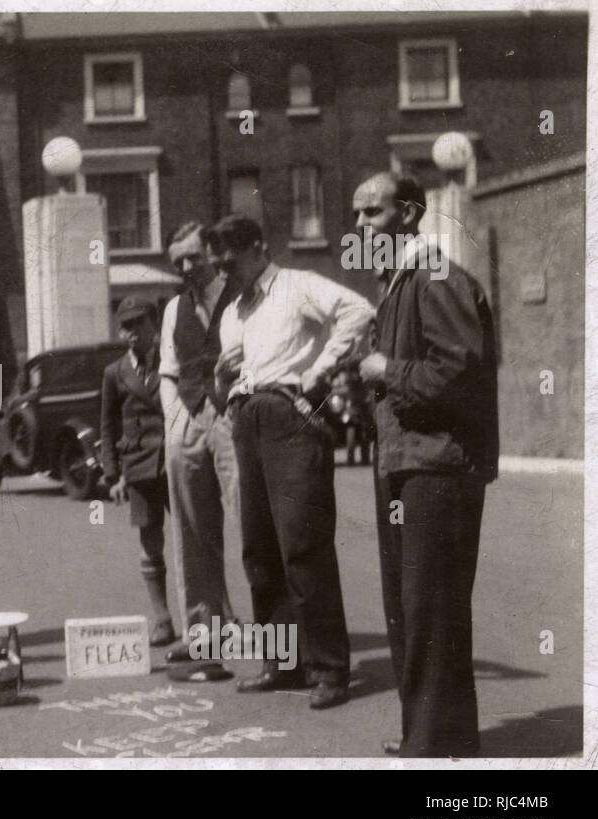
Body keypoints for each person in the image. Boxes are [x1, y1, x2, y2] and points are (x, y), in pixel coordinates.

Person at [353, 172, 498, 756]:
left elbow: (459, 371)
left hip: (439, 467)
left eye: (372, 213)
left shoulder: (434, 276)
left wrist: (382, 371)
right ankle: (432, 735)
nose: (359, 226)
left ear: (409, 215)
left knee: (430, 609)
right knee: (410, 609)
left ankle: (433, 744)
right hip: (406, 465)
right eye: (357, 214)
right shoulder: (398, 283)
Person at [213, 215, 373, 709]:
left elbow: (359, 311)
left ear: (259, 247)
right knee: (259, 551)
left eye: (232, 259)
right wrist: (225, 384)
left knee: (302, 545)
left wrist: (319, 374)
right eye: (220, 263)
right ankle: (283, 664)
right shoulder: (233, 312)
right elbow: (231, 378)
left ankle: (328, 669)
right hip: (247, 419)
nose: (226, 271)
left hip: (292, 418)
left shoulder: (296, 286)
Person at [158, 221, 243, 681]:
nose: (187, 268)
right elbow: (168, 371)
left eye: (193, 257)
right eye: (178, 263)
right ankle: (203, 634)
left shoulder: (242, 293)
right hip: (189, 416)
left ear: (212, 251)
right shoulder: (175, 307)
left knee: (250, 522)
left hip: (233, 416)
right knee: (190, 532)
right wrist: (175, 424)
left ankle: (278, 638)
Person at [100, 294, 176, 648]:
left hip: (174, 461)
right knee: (150, 542)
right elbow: (107, 426)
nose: (132, 333)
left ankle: (215, 614)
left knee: (196, 537)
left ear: (154, 325)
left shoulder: (171, 361)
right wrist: (113, 475)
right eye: (126, 326)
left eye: (139, 324)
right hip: (140, 466)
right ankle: (161, 618)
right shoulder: (114, 373)